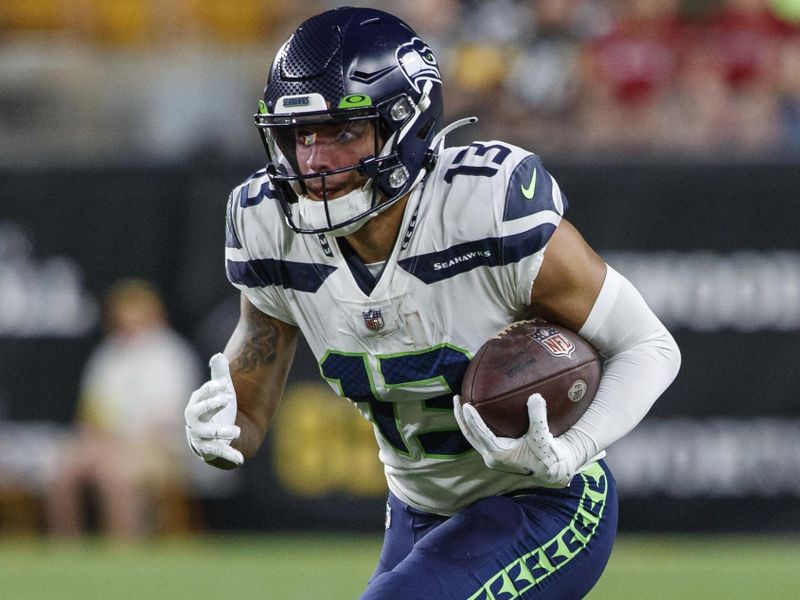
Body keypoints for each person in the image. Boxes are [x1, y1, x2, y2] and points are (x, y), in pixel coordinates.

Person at [184, 7, 680, 598]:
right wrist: (216, 433)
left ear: (405, 124)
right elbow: (246, 417)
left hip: (544, 500)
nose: (314, 161)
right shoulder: (268, 224)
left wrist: (573, 448)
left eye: (343, 132)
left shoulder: (484, 208)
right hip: (417, 508)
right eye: (300, 135)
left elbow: (649, 345)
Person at [46, 279, 200, 539]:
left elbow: (166, 424)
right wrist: (99, 443)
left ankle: (124, 551)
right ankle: (66, 550)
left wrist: (121, 447)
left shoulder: (171, 356)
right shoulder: (109, 355)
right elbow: (92, 414)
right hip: (111, 445)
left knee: (115, 474)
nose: (130, 326)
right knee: (62, 469)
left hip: (164, 450)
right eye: (124, 319)